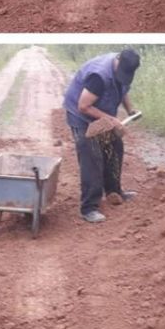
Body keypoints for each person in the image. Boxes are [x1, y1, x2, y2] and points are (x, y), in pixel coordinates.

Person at [63, 49, 141, 223]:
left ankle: (114, 192)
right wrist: (111, 119)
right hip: (81, 116)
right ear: (118, 60)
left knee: (115, 147)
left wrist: (130, 109)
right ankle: (89, 207)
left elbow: (123, 88)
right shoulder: (99, 76)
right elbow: (83, 106)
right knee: (92, 155)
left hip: (101, 113)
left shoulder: (123, 70)